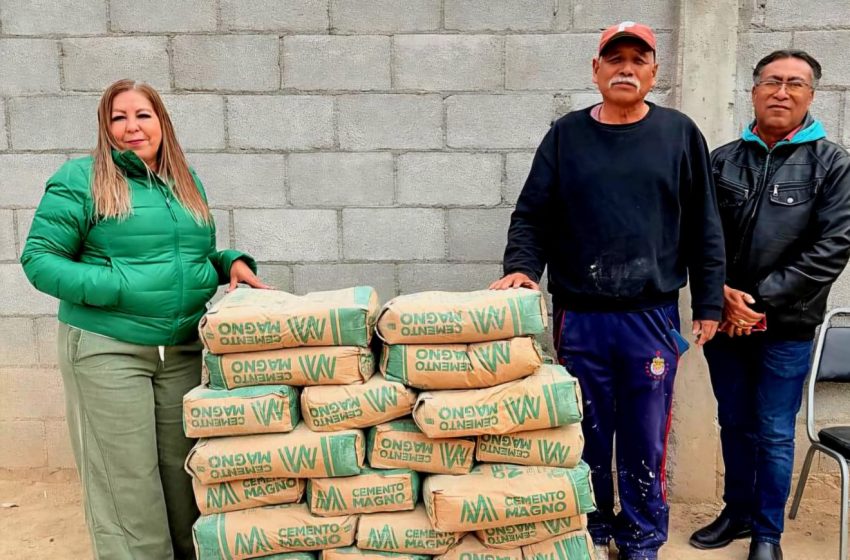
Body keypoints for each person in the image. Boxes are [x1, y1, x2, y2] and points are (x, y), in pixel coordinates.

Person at [490, 22, 726, 560]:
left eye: (637, 60)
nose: (626, 68)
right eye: (614, 59)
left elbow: (704, 226)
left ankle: (642, 538)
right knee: (585, 432)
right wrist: (523, 267)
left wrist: (709, 301)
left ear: (653, 73)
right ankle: (592, 531)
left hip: (651, 316)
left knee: (644, 437)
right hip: (581, 316)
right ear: (595, 70)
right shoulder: (566, 135)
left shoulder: (679, 133)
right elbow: (533, 214)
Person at [21, 79, 270, 560]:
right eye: (119, 117)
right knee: (126, 482)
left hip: (179, 350)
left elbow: (185, 256)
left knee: (185, 474)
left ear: (162, 121)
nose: (132, 127)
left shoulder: (184, 180)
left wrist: (228, 263)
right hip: (107, 347)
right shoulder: (81, 179)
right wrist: (116, 286)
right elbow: (39, 259)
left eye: (142, 115)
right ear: (105, 126)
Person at [689, 50, 850, 560]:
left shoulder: (834, 164)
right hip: (726, 322)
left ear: (811, 95)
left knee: (775, 432)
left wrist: (755, 301)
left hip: (786, 326)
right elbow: (698, 234)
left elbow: (833, 247)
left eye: (795, 84)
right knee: (733, 422)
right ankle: (736, 513)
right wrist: (719, 295)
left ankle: (767, 534)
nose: (782, 92)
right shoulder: (723, 159)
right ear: (755, 90)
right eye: (772, 81)